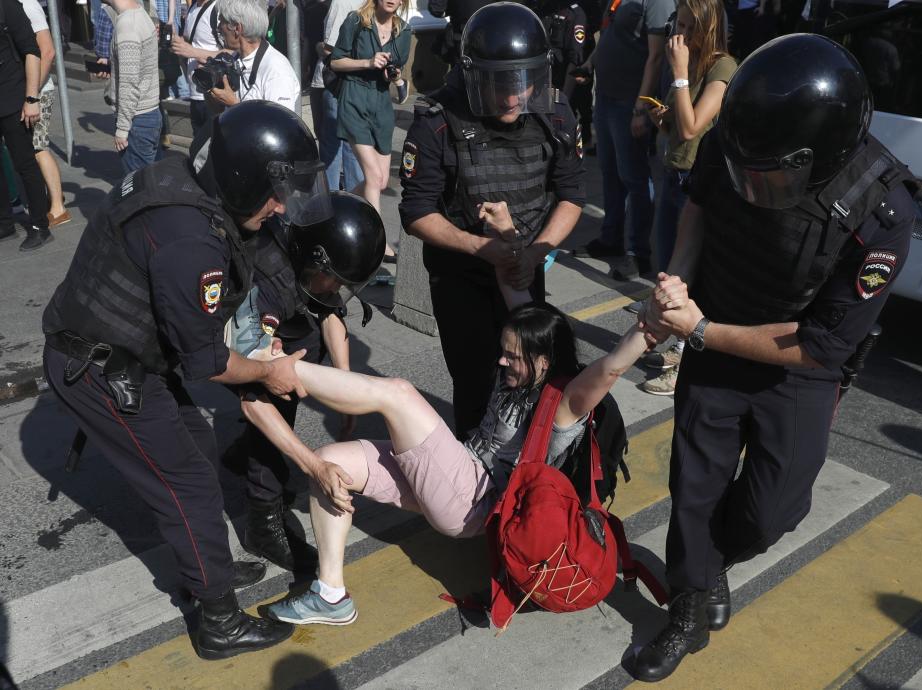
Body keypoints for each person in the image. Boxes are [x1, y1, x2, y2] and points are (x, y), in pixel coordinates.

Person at [628, 34, 916, 682]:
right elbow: (698, 206)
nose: (753, 185)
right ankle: (687, 606)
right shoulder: (740, 132)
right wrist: (674, 282)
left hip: (795, 370)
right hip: (714, 343)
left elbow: (818, 345)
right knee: (694, 494)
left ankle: (712, 567)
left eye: (773, 174)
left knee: (771, 512)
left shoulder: (884, 210)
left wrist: (699, 328)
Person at [238, 201, 653, 626]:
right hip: (456, 472)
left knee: (399, 394)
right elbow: (512, 284)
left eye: (513, 358)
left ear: (544, 362)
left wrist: (650, 323)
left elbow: (610, 369)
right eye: (503, 352)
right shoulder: (527, 344)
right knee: (330, 462)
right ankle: (330, 595)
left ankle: (275, 365)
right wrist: (505, 232)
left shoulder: (564, 404)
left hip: (478, 501)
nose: (502, 362)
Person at [41, 101, 329, 660]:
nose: (279, 207)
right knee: (188, 484)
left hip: (122, 352)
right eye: (276, 192)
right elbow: (207, 362)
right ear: (244, 178)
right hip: (100, 368)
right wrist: (269, 371)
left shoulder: (192, 181)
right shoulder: (190, 240)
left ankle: (206, 566)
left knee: (195, 444)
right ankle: (218, 620)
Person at [398, 2, 585, 438]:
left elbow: (572, 196)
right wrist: (481, 247)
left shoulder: (556, 115)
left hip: (524, 270)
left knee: (534, 379)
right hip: (462, 278)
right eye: (501, 84)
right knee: (476, 383)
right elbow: (416, 211)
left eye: (524, 82)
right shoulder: (438, 121)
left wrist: (534, 253)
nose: (515, 96)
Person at [228, 191, 386, 572]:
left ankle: (246, 454)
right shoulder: (266, 281)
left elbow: (329, 311)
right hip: (231, 341)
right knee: (274, 397)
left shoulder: (313, 254)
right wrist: (313, 465)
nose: (336, 289)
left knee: (305, 349)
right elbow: (254, 397)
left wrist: (343, 386)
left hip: (284, 319)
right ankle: (262, 522)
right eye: (334, 280)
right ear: (317, 261)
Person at [640, 0, 735, 396]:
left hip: (698, 182)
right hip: (673, 172)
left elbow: (694, 126)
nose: (676, 33)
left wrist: (678, 74)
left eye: (684, 25)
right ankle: (679, 348)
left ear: (705, 26)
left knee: (687, 276)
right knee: (667, 266)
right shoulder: (690, 60)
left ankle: (686, 355)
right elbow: (680, 125)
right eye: (675, 23)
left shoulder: (722, 66)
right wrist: (661, 118)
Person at [571, 0, 676, 280]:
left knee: (635, 178)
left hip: (629, 102)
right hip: (606, 96)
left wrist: (641, 107)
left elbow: (656, 57)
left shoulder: (657, 2)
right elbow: (609, 35)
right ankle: (611, 239)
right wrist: (590, 63)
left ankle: (637, 253)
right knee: (610, 171)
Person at [329, 0, 411, 214]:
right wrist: (367, 62)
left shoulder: (404, 30)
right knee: (373, 177)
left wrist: (394, 76)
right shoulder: (356, 21)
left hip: (382, 103)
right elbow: (335, 61)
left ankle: (340, 206)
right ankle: (379, 242)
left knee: (381, 181)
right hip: (354, 97)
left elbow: (397, 69)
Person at [0, 0, 50, 251]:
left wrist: (32, 98)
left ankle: (41, 226)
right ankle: (5, 223)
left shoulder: (8, 6)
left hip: (13, 98)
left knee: (25, 164)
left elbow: (32, 51)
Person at [19, 0, 71, 228]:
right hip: (29, 90)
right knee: (33, 148)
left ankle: (58, 208)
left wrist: (31, 94)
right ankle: (53, 199)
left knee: (38, 147)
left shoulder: (28, 5)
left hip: (38, 91)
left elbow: (48, 51)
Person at [206, 0, 301, 112]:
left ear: (237, 28)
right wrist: (210, 90)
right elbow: (218, 113)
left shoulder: (276, 70)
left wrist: (234, 105)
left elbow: (279, 124)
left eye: (221, 22)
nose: (218, 29)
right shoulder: (235, 60)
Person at [103, 0, 162, 173]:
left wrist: (122, 128)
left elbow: (129, 84)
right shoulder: (139, 12)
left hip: (138, 120)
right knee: (152, 182)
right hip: (147, 115)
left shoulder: (127, 26)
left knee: (141, 189)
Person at [315, 0, 364, 193]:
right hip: (358, 83)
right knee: (353, 146)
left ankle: (333, 200)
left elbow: (330, 51)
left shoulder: (342, 3)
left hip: (338, 83)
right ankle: (355, 200)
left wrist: (317, 46)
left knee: (333, 145)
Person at [171, 0, 222, 137]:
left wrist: (193, 52)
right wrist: (177, 40)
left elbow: (232, 52)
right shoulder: (193, 8)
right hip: (195, 91)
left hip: (214, 95)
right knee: (198, 145)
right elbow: (191, 40)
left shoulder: (219, 9)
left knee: (214, 146)